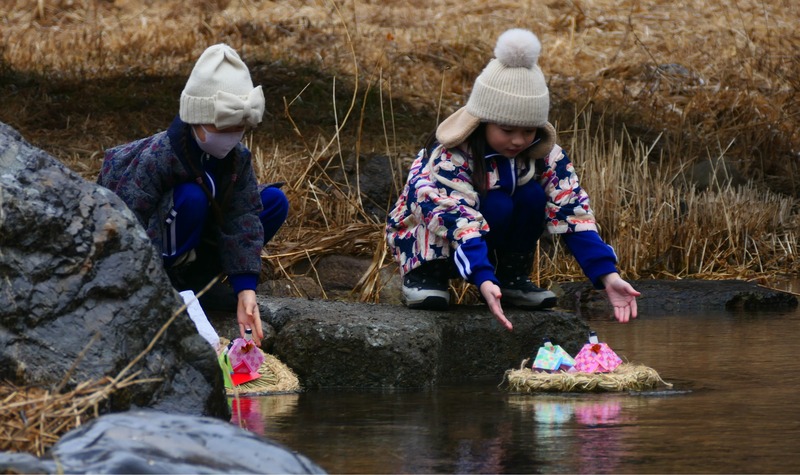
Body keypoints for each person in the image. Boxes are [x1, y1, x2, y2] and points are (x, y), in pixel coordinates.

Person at [385, 29, 639, 331]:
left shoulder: (545, 155)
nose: (519, 141)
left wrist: (607, 274)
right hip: (435, 238)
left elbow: (572, 211)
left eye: (529, 131)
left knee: (531, 196)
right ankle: (428, 274)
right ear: (483, 120)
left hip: (485, 239)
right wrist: (482, 277)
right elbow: (455, 218)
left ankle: (511, 278)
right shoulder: (449, 156)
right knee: (496, 203)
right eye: (507, 130)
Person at [98, 44, 288, 346]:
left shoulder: (238, 158)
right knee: (191, 197)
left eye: (239, 128)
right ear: (196, 118)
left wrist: (245, 288)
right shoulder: (159, 156)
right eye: (222, 126)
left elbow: (243, 218)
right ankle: (172, 285)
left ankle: (205, 282)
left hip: (204, 244)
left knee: (274, 202)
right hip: (161, 247)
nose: (231, 135)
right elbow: (129, 222)